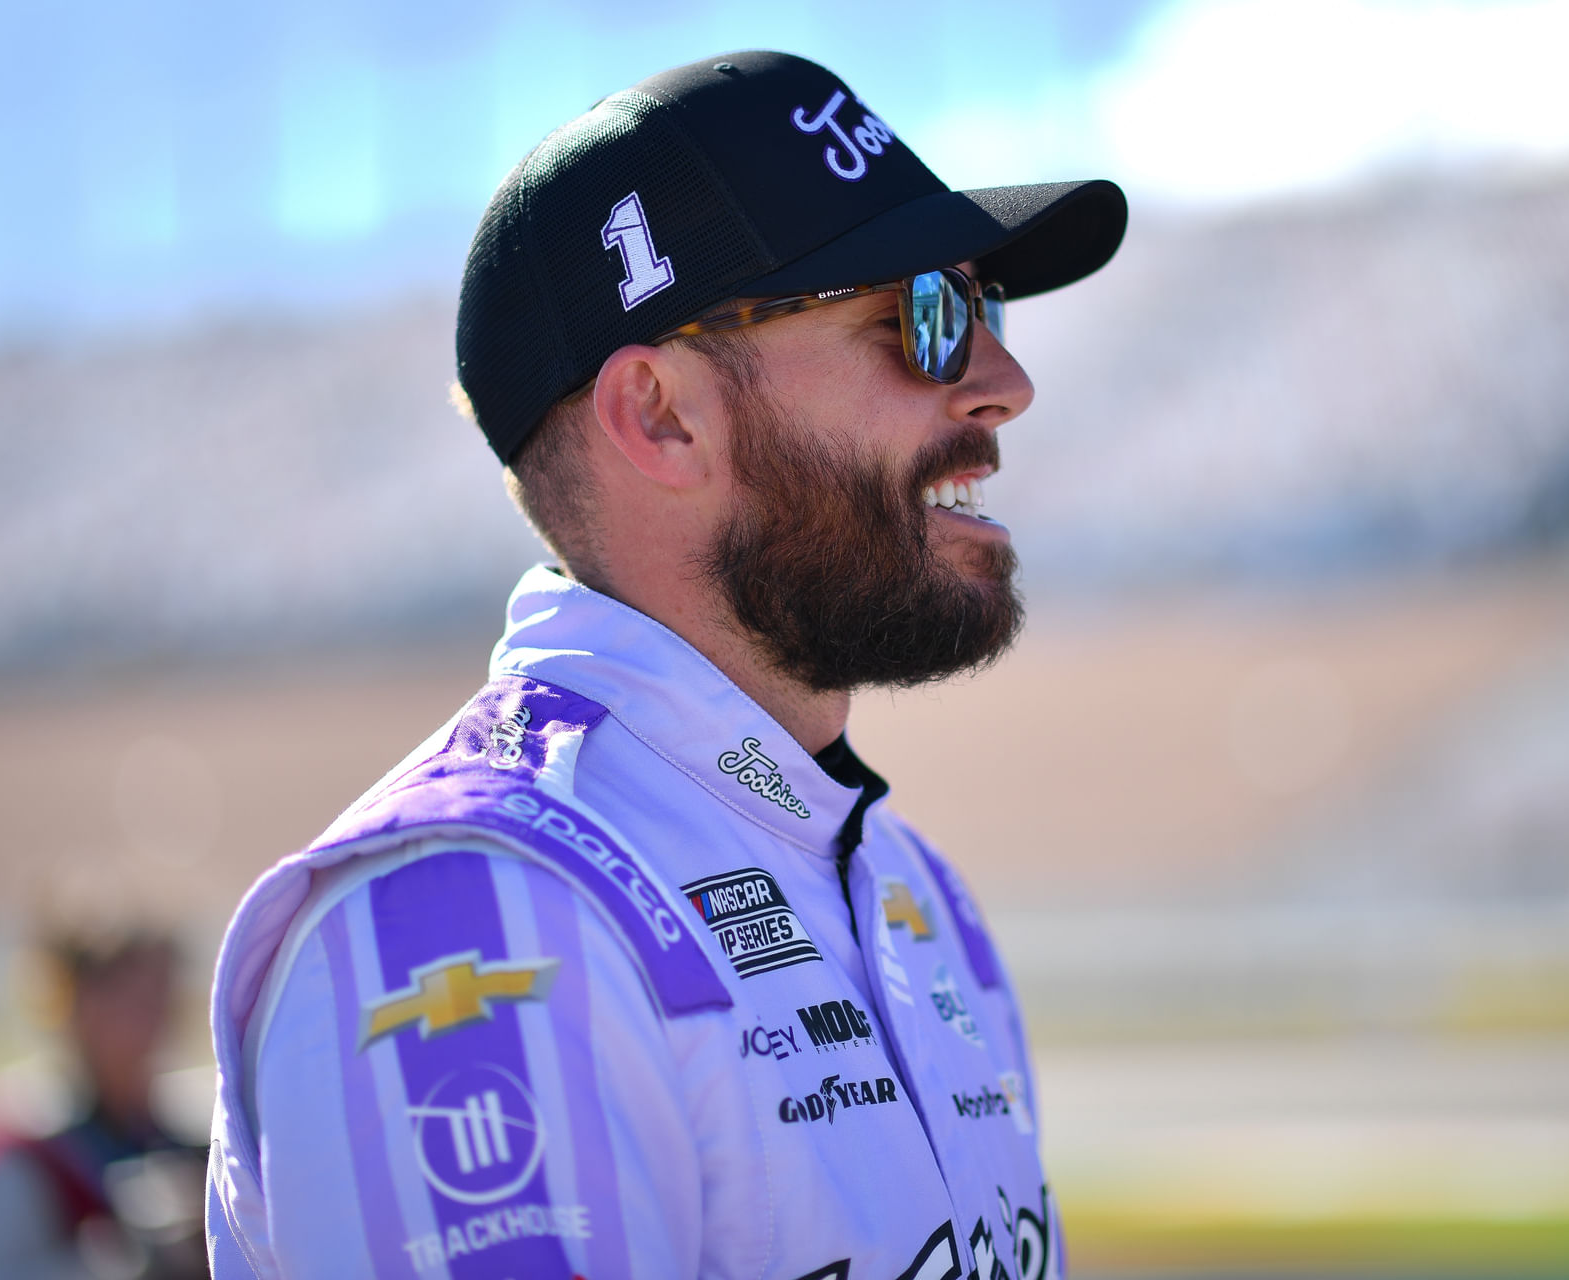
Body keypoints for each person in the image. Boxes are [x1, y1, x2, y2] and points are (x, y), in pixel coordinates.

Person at [206, 50, 1125, 1279]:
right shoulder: (466, 913)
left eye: (985, 308)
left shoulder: (915, 892)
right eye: (922, 314)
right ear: (663, 416)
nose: (1004, 383)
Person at [0, 918, 210, 1280]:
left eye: (162, 992)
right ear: (69, 1003)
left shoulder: (191, 1130)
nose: (153, 1016)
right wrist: (134, 1259)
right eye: (127, 996)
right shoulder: (9, 1143)